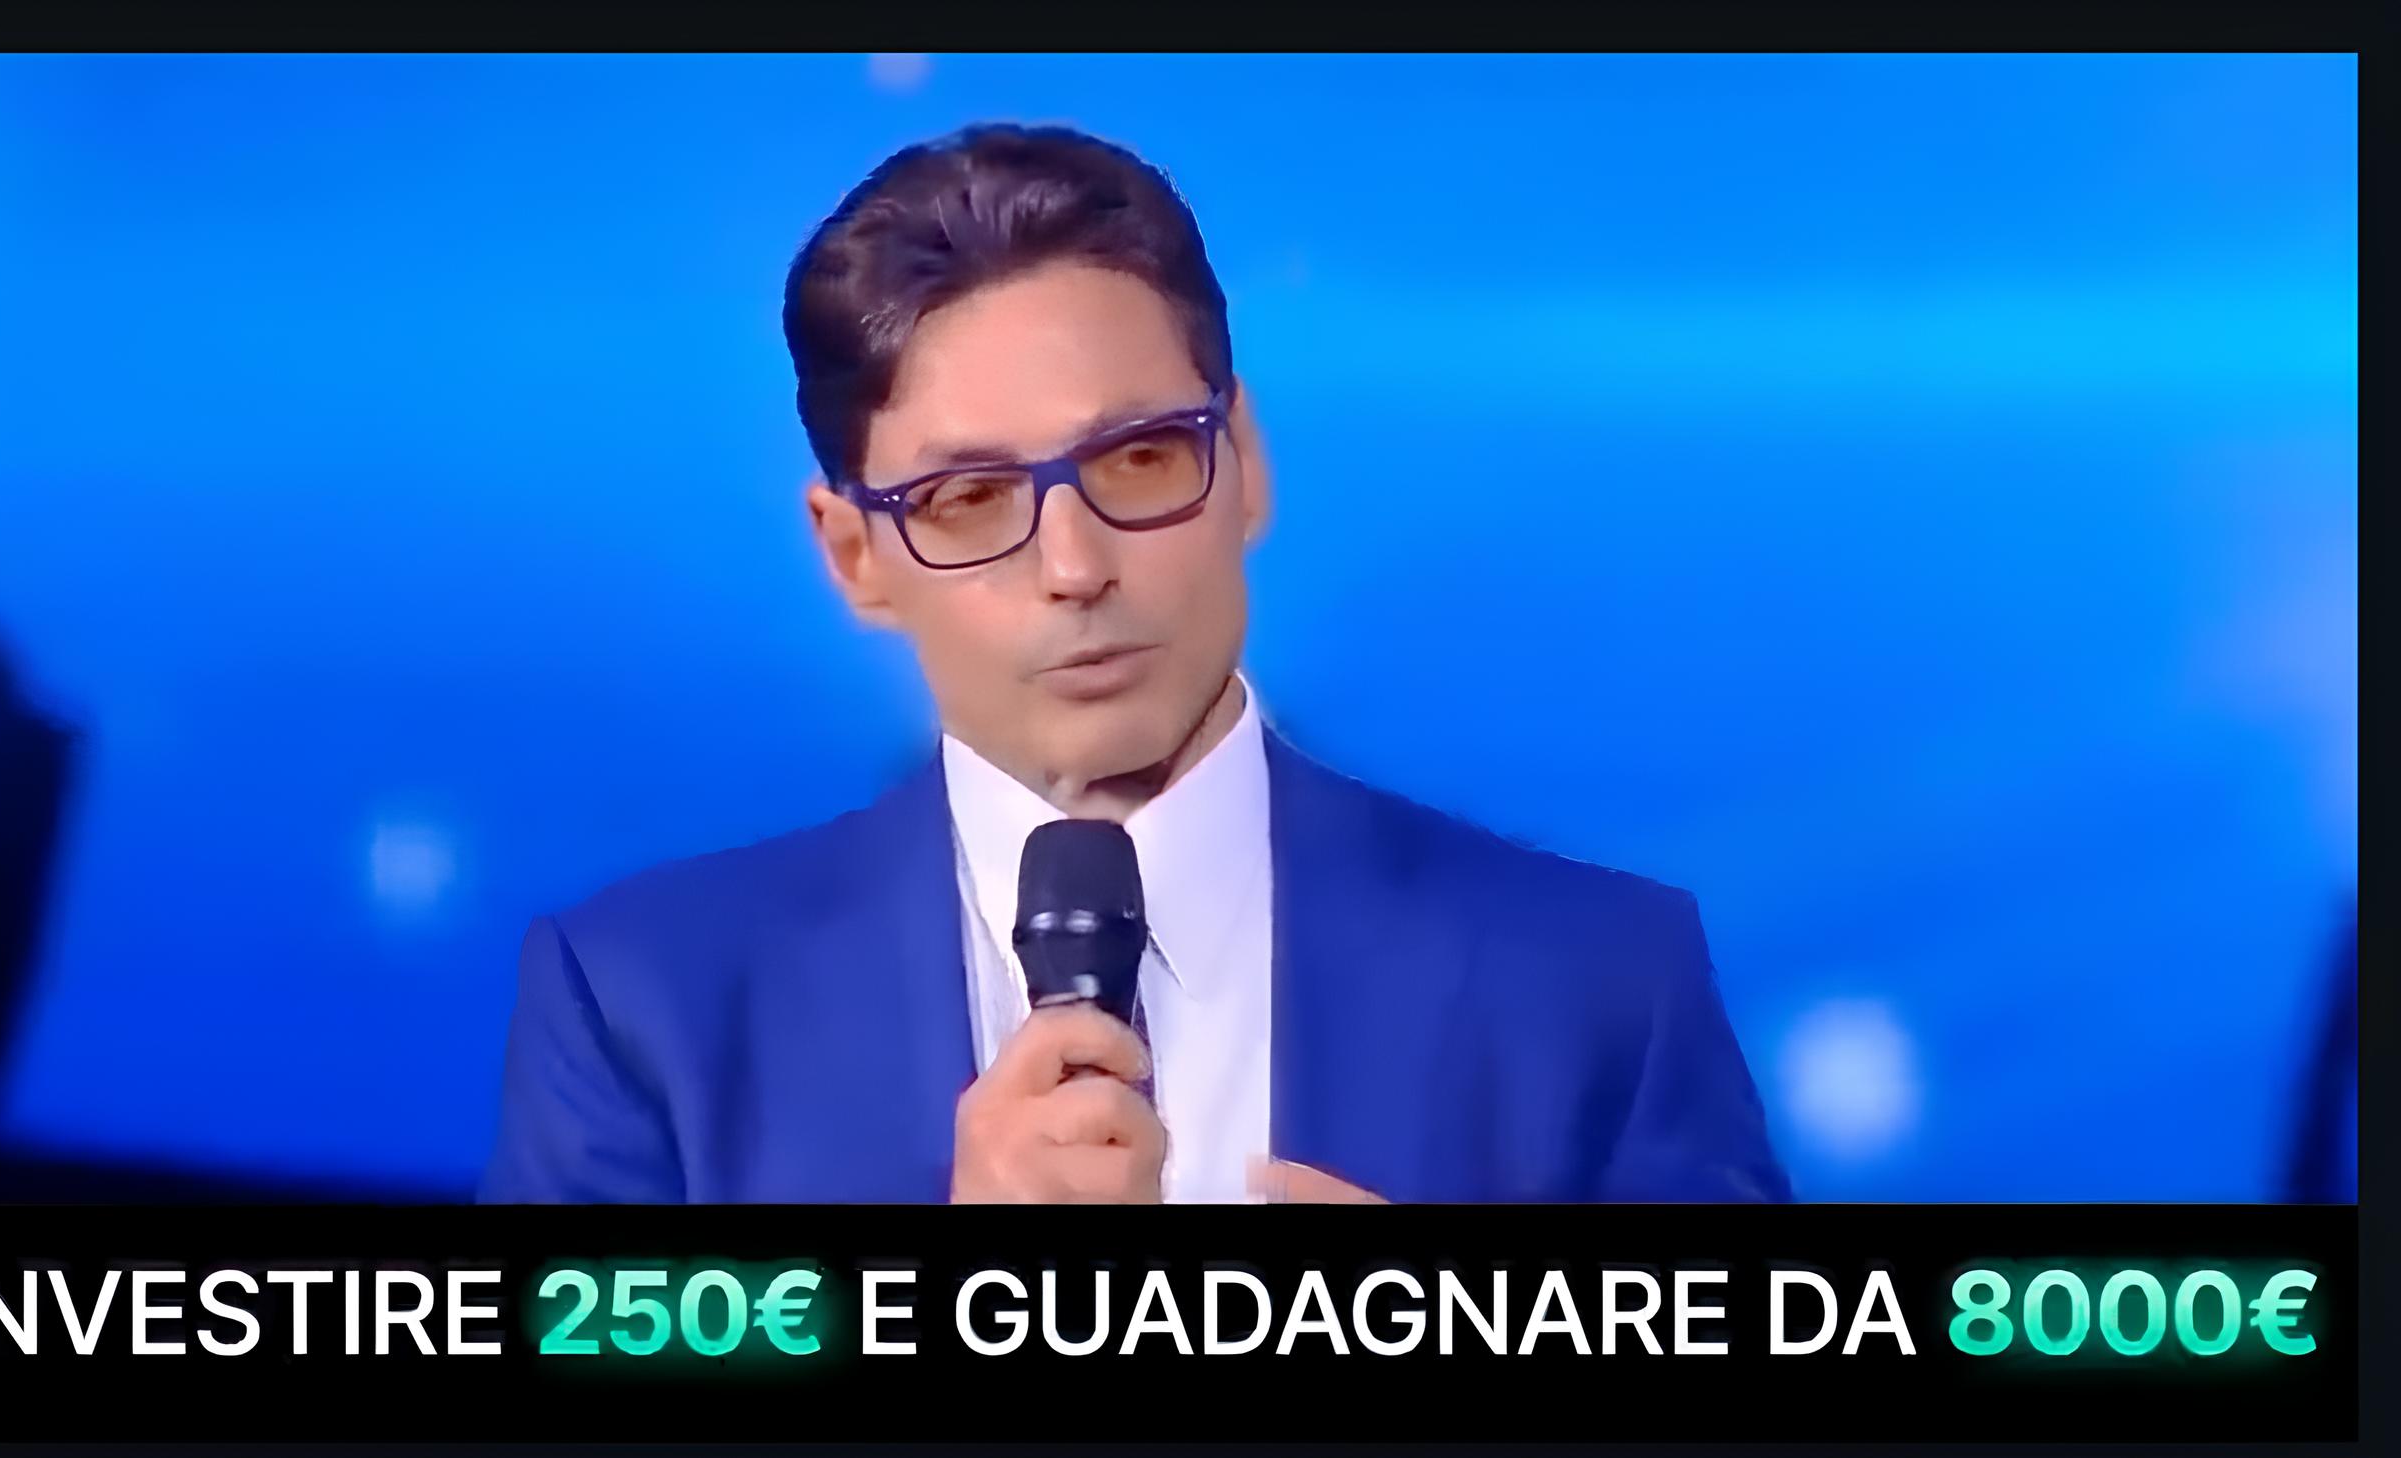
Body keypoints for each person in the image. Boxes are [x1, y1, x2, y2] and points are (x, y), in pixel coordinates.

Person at [479, 123, 1790, 1205]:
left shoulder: (1603, 987)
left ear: (1245, 462)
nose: (1075, 564)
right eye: (969, 498)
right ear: (855, 556)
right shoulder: (644, 1012)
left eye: (1140, 458)